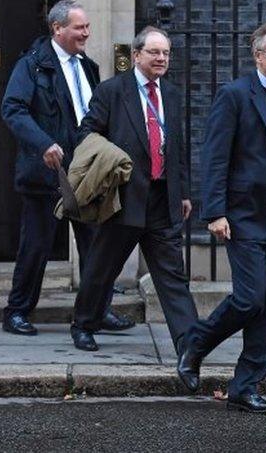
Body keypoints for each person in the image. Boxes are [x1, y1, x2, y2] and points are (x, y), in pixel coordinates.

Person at [176, 20, 266, 414]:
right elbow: (215, 156)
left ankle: (246, 386)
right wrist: (214, 211)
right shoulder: (235, 95)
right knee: (250, 299)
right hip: (244, 216)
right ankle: (195, 343)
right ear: (258, 56)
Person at [0, 0, 133, 336]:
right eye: (79, 27)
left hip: (86, 173)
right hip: (47, 172)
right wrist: (43, 143)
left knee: (95, 246)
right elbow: (13, 108)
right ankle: (17, 311)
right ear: (58, 29)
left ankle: (96, 312)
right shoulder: (32, 65)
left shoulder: (87, 66)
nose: (86, 33)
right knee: (37, 245)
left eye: (87, 27)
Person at [69, 26, 199, 352]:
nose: (161, 58)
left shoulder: (169, 93)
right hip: (124, 197)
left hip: (161, 197)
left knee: (172, 278)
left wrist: (182, 191)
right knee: (102, 268)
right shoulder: (113, 91)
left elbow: (176, 147)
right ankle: (84, 324)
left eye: (166, 53)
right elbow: (87, 134)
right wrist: (112, 159)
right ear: (137, 55)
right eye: (154, 52)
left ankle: (191, 345)